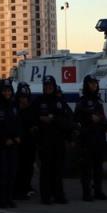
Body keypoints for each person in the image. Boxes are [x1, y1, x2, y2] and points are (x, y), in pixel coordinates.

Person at [74, 74, 107, 201]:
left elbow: (102, 117)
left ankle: (98, 190)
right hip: (87, 138)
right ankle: (86, 193)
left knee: (98, 166)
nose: (94, 85)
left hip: (98, 137)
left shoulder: (98, 101)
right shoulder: (82, 102)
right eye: (91, 83)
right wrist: (89, 118)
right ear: (86, 85)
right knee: (86, 168)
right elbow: (76, 119)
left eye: (95, 83)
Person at [36, 75, 72, 204]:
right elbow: (32, 118)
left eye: (50, 86)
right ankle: (45, 196)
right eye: (46, 86)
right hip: (44, 141)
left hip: (58, 140)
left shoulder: (60, 101)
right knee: (46, 170)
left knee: (58, 169)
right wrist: (41, 119)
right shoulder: (39, 102)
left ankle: (58, 195)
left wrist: (54, 119)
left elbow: (69, 120)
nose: (48, 88)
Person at [0, 79, 21, 208]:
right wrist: (3, 139)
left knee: (12, 173)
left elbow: (18, 123)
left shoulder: (14, 106)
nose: (7, 93)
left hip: (13, 144)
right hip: (1, 145)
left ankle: (9, 198)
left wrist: (18, 136)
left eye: (9, 90)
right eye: (5, 91)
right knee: (3, 173)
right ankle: (2, 200)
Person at [13, 82, 37, 200]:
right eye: (22, 97)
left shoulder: (31, 109)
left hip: (29, 143)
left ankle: (26, 187)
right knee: (19, 167)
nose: (24, 100)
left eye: (26, 97)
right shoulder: (15, 109)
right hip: (19, 143)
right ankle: (19, 189)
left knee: (28, 167)